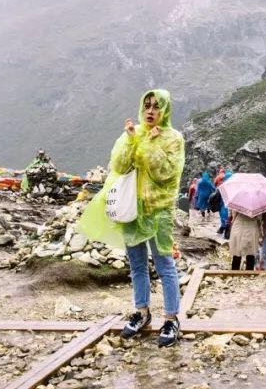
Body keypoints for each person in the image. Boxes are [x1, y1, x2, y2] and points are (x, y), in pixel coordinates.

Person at [77, 89, 185, 348]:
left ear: (165, 110)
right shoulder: (133, 133)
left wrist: (149, 146)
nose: (150, 111)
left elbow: (166, 174)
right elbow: (119, 166)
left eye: (156, 106)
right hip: (131, 210)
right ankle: (142, 313)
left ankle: (171, 319)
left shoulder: (173, 138)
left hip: (158, 211)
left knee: (165, 265)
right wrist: (130, 140)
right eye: (147, 105)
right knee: (137, 265)